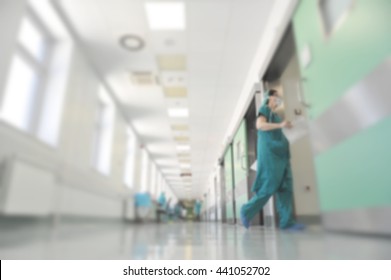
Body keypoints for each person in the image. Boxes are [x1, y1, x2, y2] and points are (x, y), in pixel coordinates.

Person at [240, 89, 305, 231]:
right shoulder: (264, 109)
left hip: (282, 155)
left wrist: (289, 127)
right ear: (269, 98)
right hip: (270, 155)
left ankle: (287, 222)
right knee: (269, 186)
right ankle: (246, 210)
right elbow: (260, 125)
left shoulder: (275, 116)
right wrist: (281, 125)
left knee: (285, 187)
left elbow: (279, 131)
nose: (278, 99)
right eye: (276, 97)